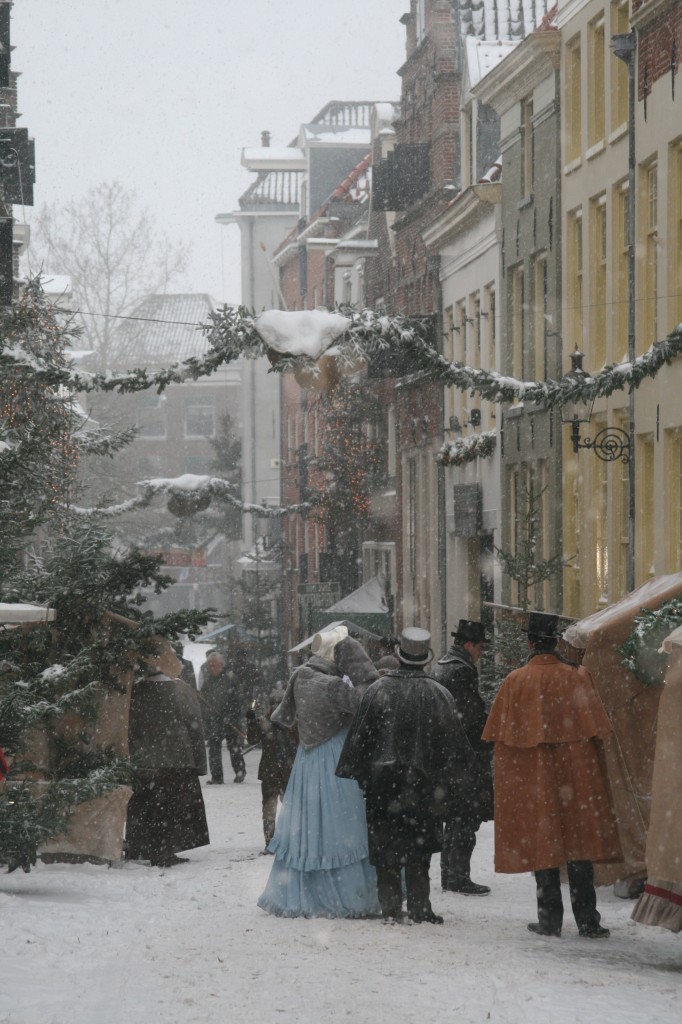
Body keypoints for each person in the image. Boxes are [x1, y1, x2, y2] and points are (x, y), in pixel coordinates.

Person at [482, 612, 621, 939]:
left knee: (542, 845)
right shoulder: (579, 676)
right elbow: (600, 730)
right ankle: (588, 921)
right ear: (555, 642)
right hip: (577, 776)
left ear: (530, 643)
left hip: (536, 777)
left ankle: (549, 920)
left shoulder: (516, 681)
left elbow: (500, 740)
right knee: (579, 846)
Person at [336, 627, 469, 924]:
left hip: (383, 786)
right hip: (426, 786)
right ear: (424, 659)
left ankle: (391, 907)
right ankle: (420, 907)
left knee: (386, 852)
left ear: (400, 656)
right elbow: (454, 747)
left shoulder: (377, 691)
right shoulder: (439, 694)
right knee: (420, 851)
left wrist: (366, 778)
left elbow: (359, 743)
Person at [257, 625, 382, 918]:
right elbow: (368, 699)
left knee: (309, 828)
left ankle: (301, 890)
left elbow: (284, 717)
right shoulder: (333, 686)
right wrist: (361, 666)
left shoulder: (299, 676)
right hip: (335, 759)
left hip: (306, 759)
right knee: (342, 825)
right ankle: (344, 894)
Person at [125, 653, 209, 868]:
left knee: (148, 808)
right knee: (173, 808)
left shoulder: (136, 691)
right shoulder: (182, 691)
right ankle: (166, 850)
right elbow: (195, 728)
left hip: (144, 761)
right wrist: (199, 763)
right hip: (177, 760)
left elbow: (129, 727)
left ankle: (145, 848)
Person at [432, 619, 493, 896]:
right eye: (480, 647)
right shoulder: (462, 671)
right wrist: (486, 736)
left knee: (454, 817)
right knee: (465, 817)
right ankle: (458, 875)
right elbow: (469, 716)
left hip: (446, 757)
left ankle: (449, 874)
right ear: (469, 645)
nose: (481, 652)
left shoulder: (444, 666)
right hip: (463, 758)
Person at [246, 689, 298, 851]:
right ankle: (270, 841)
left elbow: (297, 743)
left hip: (287, 770)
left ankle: (292, 840)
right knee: (269, 807)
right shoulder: (264, 722)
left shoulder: (293, 722)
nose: (275, 706)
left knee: (290, 807)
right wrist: (251, 721)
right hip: (270, 770)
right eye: (273, 703)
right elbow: (252, 739)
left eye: (279, 703)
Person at [199, 650, 247, 784]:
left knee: (234, 747)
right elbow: (204, 698)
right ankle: (217, 776)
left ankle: (240, 771)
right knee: (214, 747)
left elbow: (238, 699)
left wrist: (230, 714)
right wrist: (207, 714)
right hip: (215, 719)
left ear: (221, 664)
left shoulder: (230, 679)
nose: (211, 668)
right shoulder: (208, 681)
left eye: (213, 665)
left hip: (230, 719)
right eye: (210, 665)